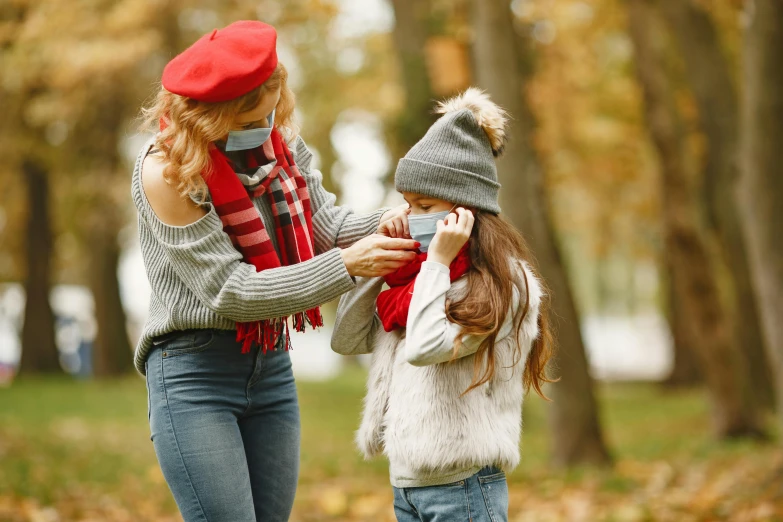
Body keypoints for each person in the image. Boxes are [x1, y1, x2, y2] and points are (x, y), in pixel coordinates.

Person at [132, 20, 416, 522]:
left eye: (267, 113)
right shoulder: (166, 173)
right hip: (193, 373)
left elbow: (324, 227)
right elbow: (232, 292)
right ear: (208, 116)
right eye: (245, 123)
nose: (260, 132)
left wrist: (410, 216)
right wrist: (346, 267)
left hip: (270, 364)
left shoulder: (281, 146)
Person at [331, 88, 554, 522]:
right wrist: (379, 260)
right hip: (408, 485)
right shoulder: (414, 279)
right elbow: (346, 339)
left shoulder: (502, 285)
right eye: (407, 204)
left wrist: (435, 261)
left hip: (463, 486)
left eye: (424, 206)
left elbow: (424, 347)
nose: (410, 216)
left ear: (464, 210)